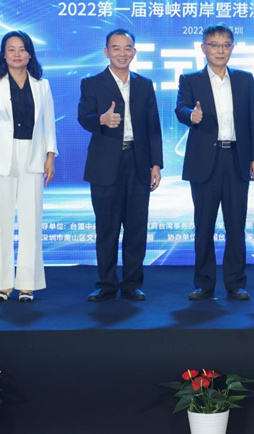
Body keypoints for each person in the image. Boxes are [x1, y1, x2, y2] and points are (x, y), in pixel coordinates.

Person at [0, 31, 57, 303]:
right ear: (3, 54)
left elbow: (49, 123)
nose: (17, 54)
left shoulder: (42, 85)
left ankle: (27, 284)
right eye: (11, 49)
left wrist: (50, 156)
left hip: (33, 156)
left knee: (31, 221)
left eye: (22, 49)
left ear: (30, 54)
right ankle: (2, 284)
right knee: (0, 221)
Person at [175, 24, 254, 301]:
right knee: (204, 226)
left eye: (225, 45)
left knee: (236, 226)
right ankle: (204, 284)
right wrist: (191, 116)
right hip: (204, 162)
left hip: (237, 158)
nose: (220, 50)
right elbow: (181, 108)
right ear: (203, 48)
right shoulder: (190, 79)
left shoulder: (245, 79)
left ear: (232, 48)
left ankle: (236, 284)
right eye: (214, 45)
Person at [78, 29, 163, 302]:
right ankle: (106, 284)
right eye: (116, 48)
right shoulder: (92, 83)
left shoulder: (144, 84)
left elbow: (153, 127)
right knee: (107, 228)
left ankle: (132, 284)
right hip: (105, 164)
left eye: (127, 48)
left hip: (138, 161)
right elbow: (83, 117)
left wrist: (156, 164)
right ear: (106, 52)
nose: (122, 53)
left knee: (136, 227)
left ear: (134, 52)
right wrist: (101, 120)